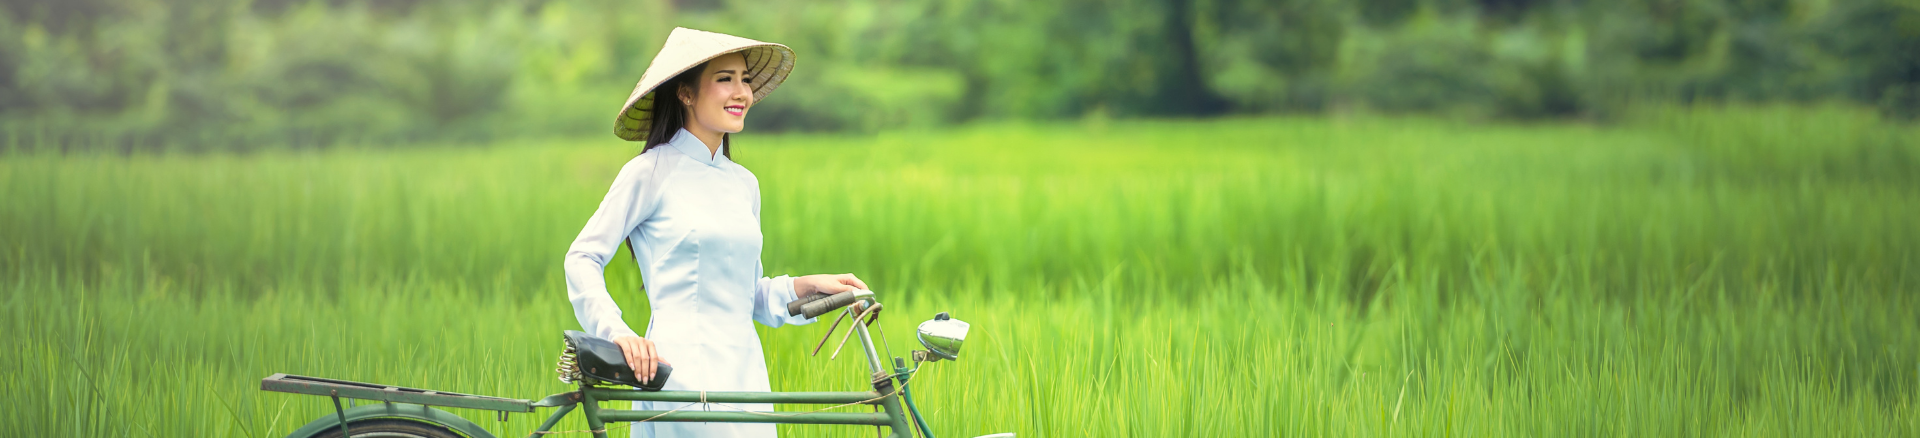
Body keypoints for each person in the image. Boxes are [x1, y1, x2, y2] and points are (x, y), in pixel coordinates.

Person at [563, 27, 869, 438]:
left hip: (746, 374)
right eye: (725, 79)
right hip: (682, 374)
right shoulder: (650, 172)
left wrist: (804, 285)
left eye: (744, 79)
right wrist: (617, 332)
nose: (741, 92)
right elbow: (582, 257)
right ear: (686, 94)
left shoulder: (744, 183)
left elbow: (749, 296)